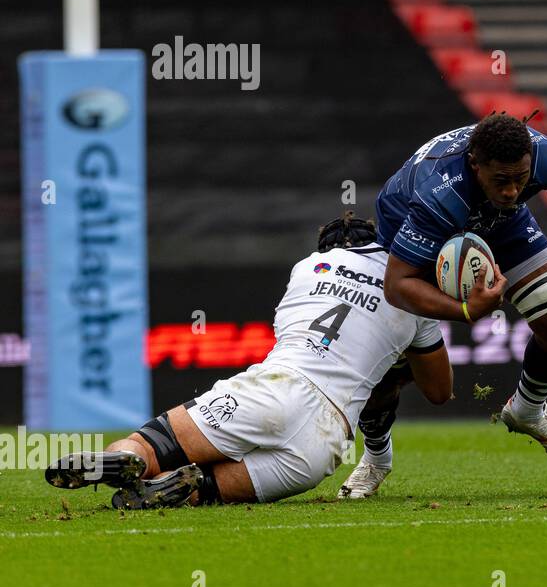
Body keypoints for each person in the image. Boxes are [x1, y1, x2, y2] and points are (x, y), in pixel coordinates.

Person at [45, 213, 453, 508]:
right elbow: (439, 391)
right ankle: (184, 488)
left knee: (153, 444)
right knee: (205, 488)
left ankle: (133, 459)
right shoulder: (413, 296)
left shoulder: (307, 268)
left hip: (275, 389)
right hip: (323, 446)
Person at [361, 111, 547, 477]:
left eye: (521, 179)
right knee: (396, 374)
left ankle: (526, 410)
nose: (513, 190)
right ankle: (376, 458)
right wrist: (467, 311)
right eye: (501, 180)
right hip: (412, 243)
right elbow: (398, 284)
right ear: (475, 164)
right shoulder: (439, 193)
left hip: (499, 223)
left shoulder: (546, 156)